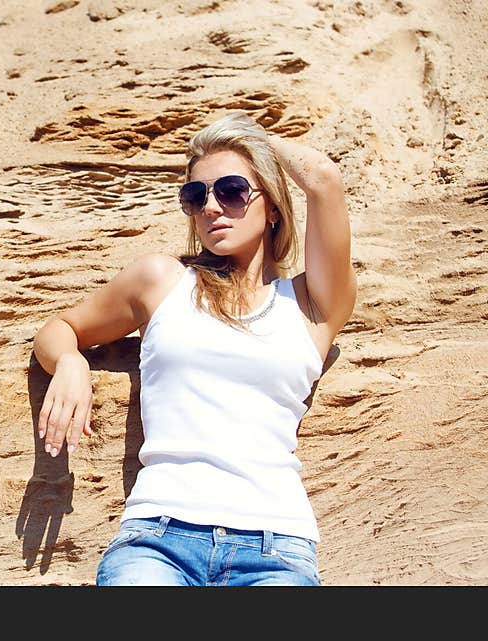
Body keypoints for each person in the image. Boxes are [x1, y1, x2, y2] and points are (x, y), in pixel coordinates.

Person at [31, 110, 356, 586]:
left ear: (272, 207)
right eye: (195, 195)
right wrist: (70, 360)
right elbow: (59, 328)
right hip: (157, 541)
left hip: (275, 548)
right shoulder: (163, 281)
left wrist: (249, 139)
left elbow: (324, 179)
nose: (210, 207)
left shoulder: (311, 304)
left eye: (231, 191)